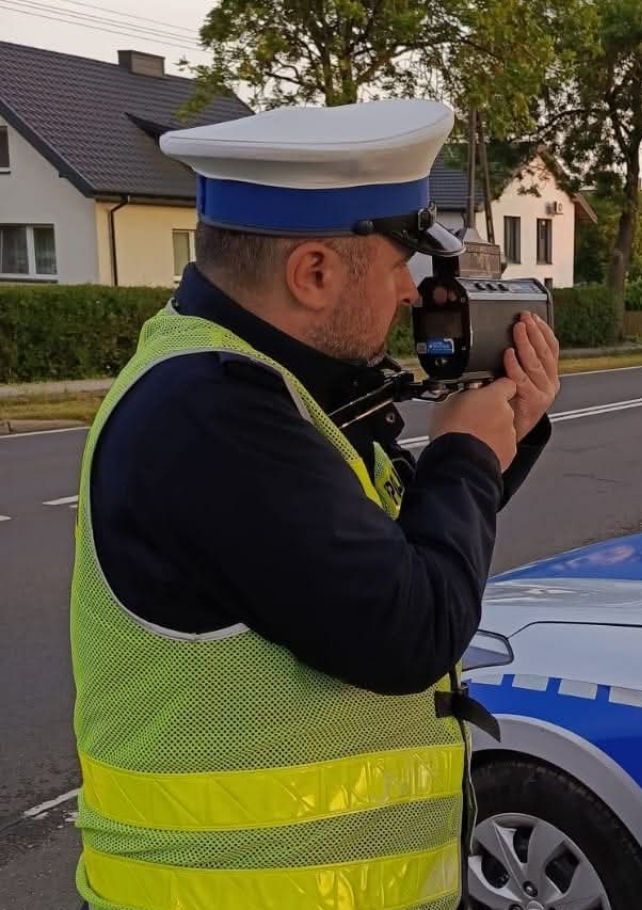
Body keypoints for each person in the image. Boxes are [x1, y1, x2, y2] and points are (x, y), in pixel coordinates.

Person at [69, 99, 558, 910]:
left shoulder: (268, 388)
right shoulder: (210, 415)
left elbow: (386, 550)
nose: (409, 294)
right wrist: (465, 454)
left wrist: (503, 436)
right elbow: (409, 629)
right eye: (399, 263)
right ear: (315, 273)